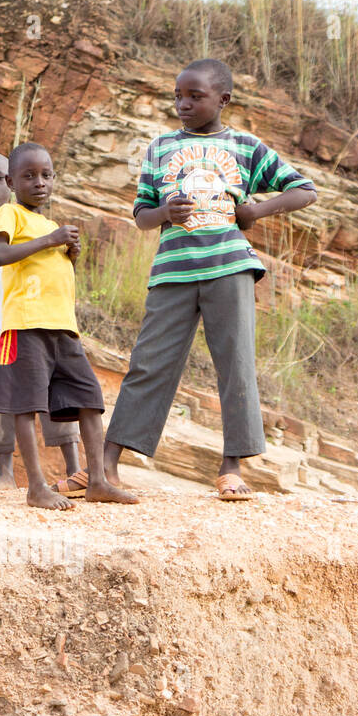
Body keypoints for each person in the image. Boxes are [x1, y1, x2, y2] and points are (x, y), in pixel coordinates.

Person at [103, 59, 317, 500]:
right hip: (173, 272)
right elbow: (141, 214)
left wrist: (255, 210)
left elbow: (305, 190)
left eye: (195, 96)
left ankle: (231, 467)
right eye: (178, 96)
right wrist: (164, 213)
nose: (183, 104)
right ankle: (107, 465)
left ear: (223, 99)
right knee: (148, 363)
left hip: (230, 269)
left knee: (234, 365)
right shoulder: (160, 147)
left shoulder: (246, 146)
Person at [0, 142, 137, 510]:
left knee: (89, 399)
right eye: (28, 176)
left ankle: (98, 480)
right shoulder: (10, 213)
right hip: (24, 326)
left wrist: (70, 255)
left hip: (63, 328)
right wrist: (50, 241)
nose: (39, 182)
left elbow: (56, 272)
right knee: (26, 406)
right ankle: (36, 487)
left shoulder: (50, 225)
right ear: (10, 181)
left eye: (46, 175)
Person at [0, 151, 85, 494]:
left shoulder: (32, 223)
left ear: (10, 182)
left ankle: (73, 468)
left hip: (36, 321)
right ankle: (5, 472)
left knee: (53, 392)